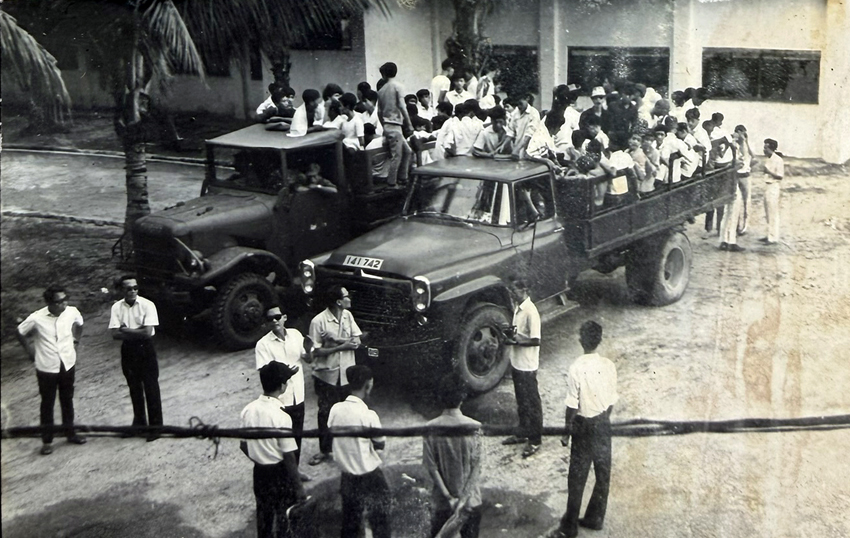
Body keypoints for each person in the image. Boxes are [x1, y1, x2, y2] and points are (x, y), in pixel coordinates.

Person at [544, 321, 618, 538]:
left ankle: (569, 528)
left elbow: (572, 405)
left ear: (580, 340)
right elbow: (612, 400)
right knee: (603, 473)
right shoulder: (608, 365)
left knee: (577, 477)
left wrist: (567, 432)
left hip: (583, 425)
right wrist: (603, 420)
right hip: (603, 423)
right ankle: (595, 518)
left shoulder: (576, 367)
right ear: (600, 340)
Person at [16, 285, 87, 455]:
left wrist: (76, 341)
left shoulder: (71, 311)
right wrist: (30, 351)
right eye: (58, 302)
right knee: (47, 403)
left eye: (65, 299)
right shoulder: (36, 318)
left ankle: (70, 433)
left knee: (67, 399)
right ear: (49, 303)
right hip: (47, 366)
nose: (63, 304)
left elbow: (80, 324)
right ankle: (47, 441)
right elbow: (20, 331)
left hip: (67, 363)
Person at [240, 361, 307, 538]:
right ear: (283, 386)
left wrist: (260, 455)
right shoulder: (281, 416)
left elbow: (243, 445)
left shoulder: (248, 410)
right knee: (284, 517)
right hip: (279, 473)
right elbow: (289, 456)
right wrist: (299, 487)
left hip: (260, 473)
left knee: (264, 516)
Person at [328, 365, 392, 538]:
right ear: (368, 385)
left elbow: (331, 432)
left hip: (347, 474)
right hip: (368, 474)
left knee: (350, 520)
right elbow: (380, 443)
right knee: (381, 517)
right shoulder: (368, 415)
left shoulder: (335, 409)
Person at [307, 285, 362, 466]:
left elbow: (357, 339)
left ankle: (348, 449)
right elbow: (314, 352)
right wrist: (341, 346)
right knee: (325, 413)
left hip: (347, 373)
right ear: (339, 302)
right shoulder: (318, 322)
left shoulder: (348, 316)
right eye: (346, 296)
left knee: (348, 412)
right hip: (326, 376)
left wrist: (338, 340)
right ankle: (325, 450)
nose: (349, 298)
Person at [423, 375, 483, 538]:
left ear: (441, 397)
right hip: (470, 502)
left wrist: (449, 498)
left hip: (442, 503)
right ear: (463, 397)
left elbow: (431, 468)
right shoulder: (475, 427)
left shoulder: (430, 428)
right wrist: (462, 500)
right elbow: (476, 468)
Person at [255, 306, 311, 469]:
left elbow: (307, 359)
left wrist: (310, 350)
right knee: (281, 441)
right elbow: (265, 373)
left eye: (277, 317)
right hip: (279, 399)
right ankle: (284, 476)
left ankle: (295, 473)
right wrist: (287, 373)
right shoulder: (263, 344)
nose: (274, 320)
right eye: (270, 318)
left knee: (297, 437)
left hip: (298, 395)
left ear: (284, 317)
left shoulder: (295, 335)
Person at [108, 275, 162, 441]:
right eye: (128, 288)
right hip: (128, 349)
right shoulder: (116, 307)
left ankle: (156, 427)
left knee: (151, 387)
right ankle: (139, 424)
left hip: (145, 349)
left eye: (135, 288)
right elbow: (114, 334)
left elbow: (147, 333)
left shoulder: (147, 305)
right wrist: (136, 331)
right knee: (134, 387)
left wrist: (125, 330)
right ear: (121, 290)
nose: (132, 291)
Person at [501, 278, 543, 459]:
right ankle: (523, 432)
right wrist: (509, 335)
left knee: (532, 403)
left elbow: (535, 340)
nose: (512, 294)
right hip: (517, 362)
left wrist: (517, 340)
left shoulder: (531, 311)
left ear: (524, 289)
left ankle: (535, 440)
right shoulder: (518, 308)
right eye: (510, 291)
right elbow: (518, 333)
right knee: (521, 401)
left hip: (527, 365)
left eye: (514, 291)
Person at [376, 62, 414, 187]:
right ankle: (392, 183)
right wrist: (409, 124)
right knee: (396, 155)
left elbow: (379, 112)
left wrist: (384, 125)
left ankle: (403, 177)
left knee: (407, 151)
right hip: (395, 125)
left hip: (388, 125)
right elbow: (402, 106)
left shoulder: (381, 91)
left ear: (383, 74)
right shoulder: (398, 86)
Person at [761, 138, 785, 245]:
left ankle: (773, 238)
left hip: (774, 187)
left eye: (765, 148)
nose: (764, 150)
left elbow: (780, 176)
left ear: (771, 148)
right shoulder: (769, 159)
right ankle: (769, 235)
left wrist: (768, 172)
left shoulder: (778, 160)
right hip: (767, 186)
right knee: (767, 212)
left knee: (773, 212)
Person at [733, 124, 756, 234]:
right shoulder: (734, 144)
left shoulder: (748, 144)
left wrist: (746, 141)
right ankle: (736, 225)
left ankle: (745, 225)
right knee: (735, 202)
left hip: (745, 175)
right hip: (736, 175)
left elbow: (754, 157)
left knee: (746, 201)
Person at [507, 93, 542, 159]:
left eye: (520, 104)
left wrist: (517, 149)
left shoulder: (534, 113)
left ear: (527, 99)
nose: (519, 107)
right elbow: (510, 132)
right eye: (517, 104)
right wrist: (501, 147)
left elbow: (529, 135)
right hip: (517, 150)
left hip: (531, 151)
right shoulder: (515, 113)